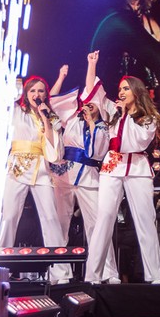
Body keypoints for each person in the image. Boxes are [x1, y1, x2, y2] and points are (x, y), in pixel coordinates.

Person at [84, 73, 160, 284]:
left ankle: (155, 275)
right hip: (112, 167)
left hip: (138, 168)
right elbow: (94, 93)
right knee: (104, 218)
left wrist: (125, 116)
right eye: (120, 89)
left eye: (126, 88)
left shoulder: (148, 118)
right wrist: (92, 64)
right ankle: (93, 275)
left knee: (145, 220)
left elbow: (136, 142)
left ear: (136, 92)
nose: (121, 92)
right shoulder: (113, 110)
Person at [48, 51, 120, 283]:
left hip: (89, 175)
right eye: (86, 103)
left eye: (93, 103)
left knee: (98, 226)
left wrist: (91, 125)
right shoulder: (70, 118)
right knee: (59, 224)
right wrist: (61, 77)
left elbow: (96, 152)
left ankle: (106, 272)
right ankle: (59, 273)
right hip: (63, 175)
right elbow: (52, 100)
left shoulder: (103, 127)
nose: (89, 106)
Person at [0, 73, 68, 264]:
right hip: (17, 168)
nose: (37, 94)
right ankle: (0, 263)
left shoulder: (51, 116)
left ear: (46, 94)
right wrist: (16, 81)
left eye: (40, 91)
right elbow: (5, 97)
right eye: (32, 91)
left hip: (42, 169)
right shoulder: (16, 111)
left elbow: (54, 148)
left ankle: (60, 269)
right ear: (26, 93)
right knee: (9, 217)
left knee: (51, 217)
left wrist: (46, 118)